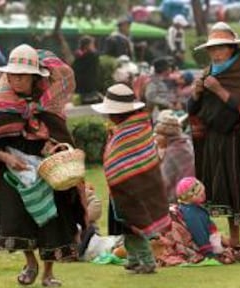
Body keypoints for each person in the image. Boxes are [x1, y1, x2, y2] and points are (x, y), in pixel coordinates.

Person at [0, 44, 87, 287]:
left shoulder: (49, 105)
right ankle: (30, 262)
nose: (16, 79)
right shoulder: (0, 103)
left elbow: (61, 138)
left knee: (52, 220)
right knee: (18, 219)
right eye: (12, 74)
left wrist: (53, 147)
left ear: (35, 77)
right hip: (13, 173)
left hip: (47, 172)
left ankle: (48, 272)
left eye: (22, 75)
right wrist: (7, 159)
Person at [188, 22, 240, 249]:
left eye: (221, 48)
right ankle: (234, 238)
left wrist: (218, 90)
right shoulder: (208, 74)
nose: (216, 53)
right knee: (226, 187)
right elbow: (194, 110)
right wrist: (196, 95)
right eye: (212, 49)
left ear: (232, 49)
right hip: (217, 141)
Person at [91, 83, 171, 274]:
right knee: (126, 228)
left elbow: (134, 162)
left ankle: (147, 261)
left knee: (134, 228)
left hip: (132, 191)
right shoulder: (128, 129)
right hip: (120, 191)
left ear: (118, 113)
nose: (108, 116)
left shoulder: (133, 131)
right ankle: (134, 259)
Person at [176, 177, 225, 258]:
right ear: (191, 196)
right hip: (198, 245)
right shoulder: (191, 213)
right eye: (201, 194)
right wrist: (207, 251)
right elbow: (198, 232)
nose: (204, 195)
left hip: (206, 240)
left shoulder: (193, 208)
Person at [154, 110, 195, 203]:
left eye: (157, 134)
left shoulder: (174, 152)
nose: (155, 138)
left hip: (181, 199)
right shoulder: (183, 144)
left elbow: (165, 183)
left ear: (166, 135)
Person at [72, 35, 102, 105]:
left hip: (80, 85)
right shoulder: (92, 56)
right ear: (87, 45)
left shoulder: (78, 56)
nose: (94, 46)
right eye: (92, 44)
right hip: (90, 86)